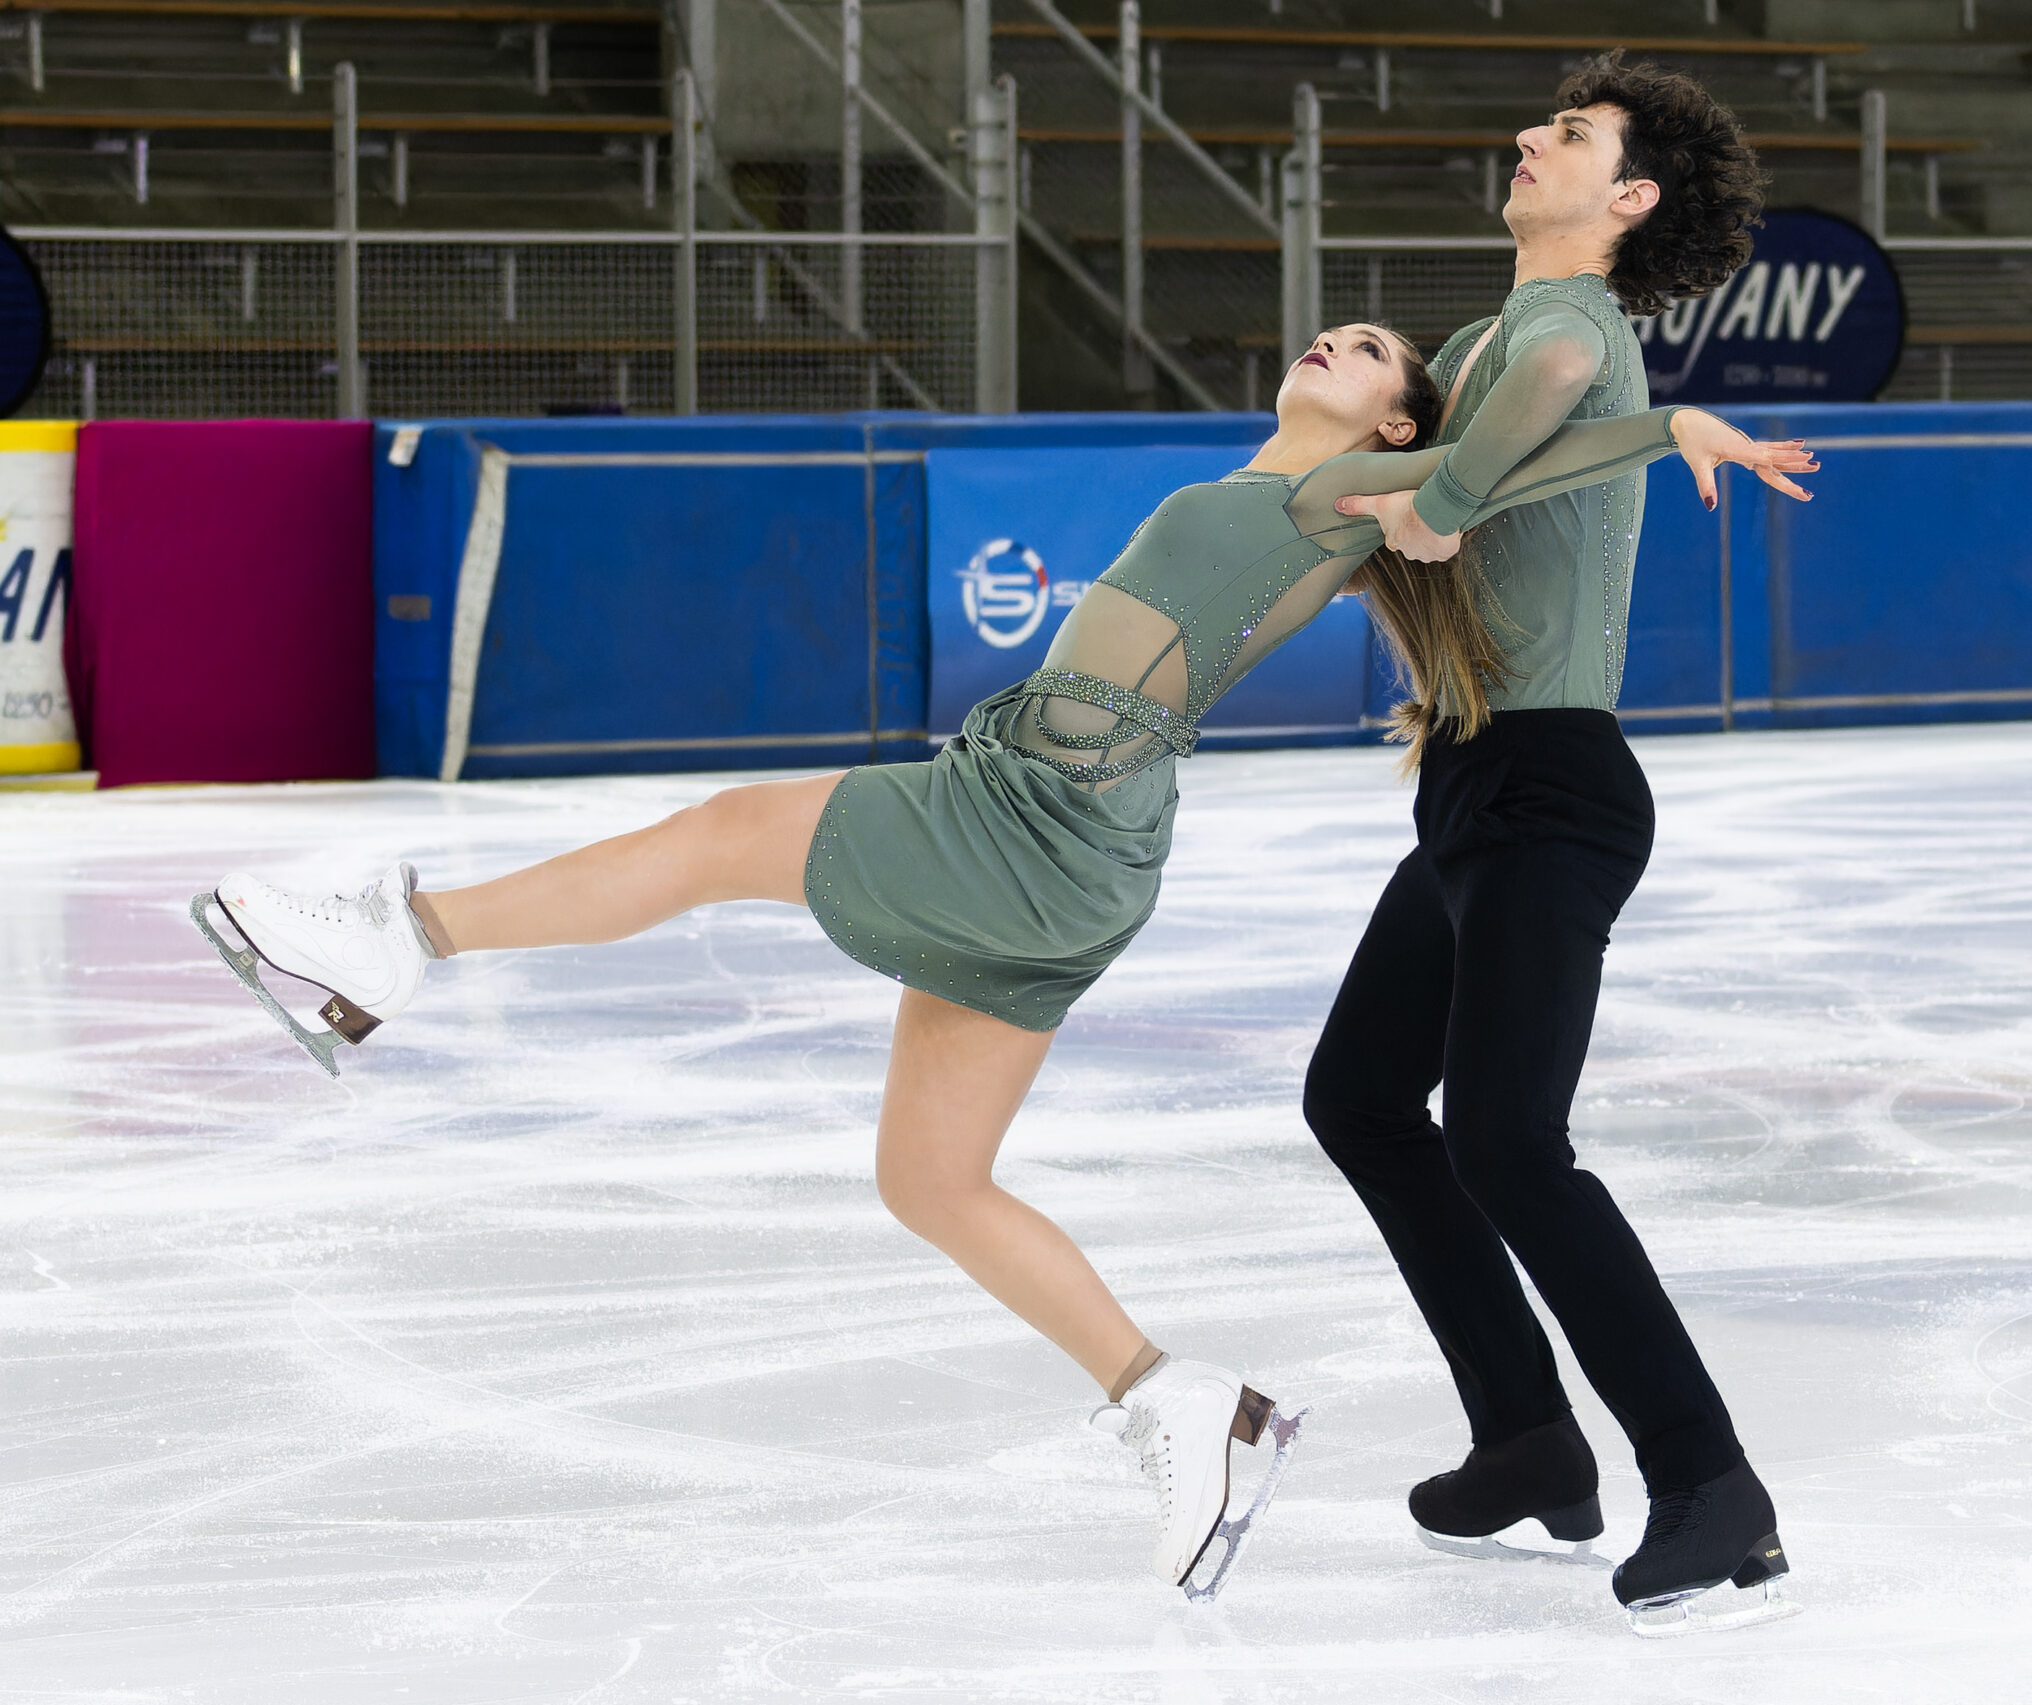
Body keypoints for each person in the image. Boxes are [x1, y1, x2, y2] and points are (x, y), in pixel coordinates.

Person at [191, 318, 1814, 1601]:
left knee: (722, 834)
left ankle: (389, 943)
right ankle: (1184, 1407)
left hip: (1037, 818)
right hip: (1056, 831)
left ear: (1398, 429)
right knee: (930, 1175)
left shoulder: (1342, 496)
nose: (1338, 339)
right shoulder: (1297, 488)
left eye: (1375, 352)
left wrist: (1665, 427)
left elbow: (1519, 453)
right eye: (1339, 329)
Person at [1302, 55, 1798, 1634]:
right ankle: (1526, 1433)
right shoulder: (1478, 341)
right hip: (1476, 783)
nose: (1529, 135)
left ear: (1628, 198)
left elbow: (1541, 397)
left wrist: (1443, 494)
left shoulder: (1573, 324)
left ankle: (1710, 1478)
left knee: (1511, 1138)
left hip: (1553, 788)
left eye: (1570, 134)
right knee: (1362, 1098)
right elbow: (1463, 460)